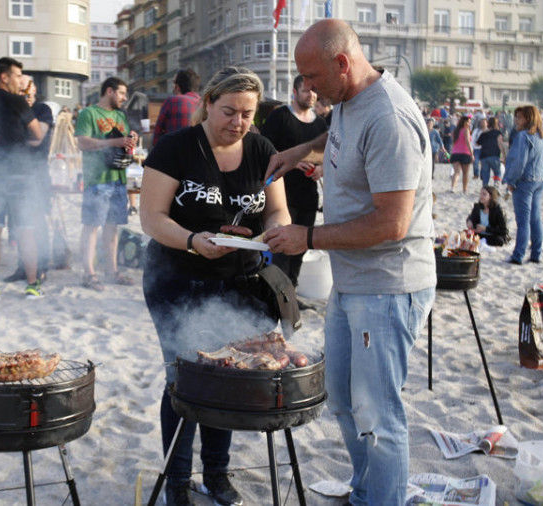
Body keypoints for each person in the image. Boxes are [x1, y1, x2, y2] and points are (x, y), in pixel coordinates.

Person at [263, 20, 436, 505]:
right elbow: (335, 139)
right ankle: (369, 491)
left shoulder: (389, 118)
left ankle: (382, 499)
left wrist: (309, 236)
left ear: (342, 63)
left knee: (378, 414)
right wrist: (300, 150)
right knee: (340, 399)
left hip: (388, 285)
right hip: (351, 280)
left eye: (313, 77)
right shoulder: (346, 101)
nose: (307, 89)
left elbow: (392, 224)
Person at [140, 66, 291, 506]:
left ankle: (217, 474)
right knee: (187, 379)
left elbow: (275, 211)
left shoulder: (262, 148)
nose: (239, 122)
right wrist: (192, 241)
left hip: (240, 282)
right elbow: (151, 218)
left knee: (227, 378)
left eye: (248, 113)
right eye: (229, 111)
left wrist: (276, 232)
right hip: (178, 279)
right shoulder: (176, 148)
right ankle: (178, 482)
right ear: (208, 103)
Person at [0, 56, 48, 300]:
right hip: (20, 173)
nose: (20, 81)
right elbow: (37, 135)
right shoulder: (17, 101)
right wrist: (20, 139)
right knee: (26, 230)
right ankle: (32, 285)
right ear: (4, 77)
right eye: (17, 76)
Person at [260, 74, 327, 288]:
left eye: (314, 91)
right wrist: (293, 161)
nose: (311, 95)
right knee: (280, 247)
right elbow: (264, 150)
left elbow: (327, 153)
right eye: (306, 90)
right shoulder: (279, 117)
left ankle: (292, 293)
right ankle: (278, 293)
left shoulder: (320, 123)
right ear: (295, 93)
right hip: (283, 194)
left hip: (308, 194)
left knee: (301, 247)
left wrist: (321, 169)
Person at [75, 76, 138, 291]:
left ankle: (111, 271)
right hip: (97, 179)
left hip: (118, 179)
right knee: (92, 226)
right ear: (109, 91)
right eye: (121, 93)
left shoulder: (121, 116)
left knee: (112, 228)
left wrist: (130, 141)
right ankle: (89, 273)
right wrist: (114, 141)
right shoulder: (89, 113)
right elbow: (83, 143)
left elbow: (122, 145)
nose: (124, 98)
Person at [3, 78, 54, 284]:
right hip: (14, 173)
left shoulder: (42, 110)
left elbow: (38, 137)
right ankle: (22, 267)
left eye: (30, 90)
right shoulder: (12, 112)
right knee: (17, 224)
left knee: (36, 222)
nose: (27, 94)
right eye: (23, 91)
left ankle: (40, 266)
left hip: (36, 175)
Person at [503, 105, 543, 265]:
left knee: (523, 221)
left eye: (520, 117)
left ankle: (518, 255)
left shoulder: (523, 136)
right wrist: (542, 173)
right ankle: (536, 254)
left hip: (524, 181)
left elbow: (519, 162)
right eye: (516, 117)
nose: (516, 120)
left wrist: (511, 181)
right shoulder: (542, 137)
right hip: (539, 180)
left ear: (528, 119)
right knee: (535, 218)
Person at [152, 68, 201, 146]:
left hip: (174, 153)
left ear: (177, 87)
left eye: (174, 83)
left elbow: (157, 136)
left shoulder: (171, 101)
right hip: (199, 154)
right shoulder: (205, 105)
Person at [476, 117, 505, 187]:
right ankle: (496, 182)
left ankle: (485, 186)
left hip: (484, 156)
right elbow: (500, 144)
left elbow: (477, 143)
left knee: (485, 174)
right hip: (494, 155)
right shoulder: (498, 133)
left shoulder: (483, 133)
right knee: (497, 172)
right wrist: (503, 155)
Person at [449, 115, 474, 193]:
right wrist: (471, 153)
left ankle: (453, 187)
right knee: (465, 173)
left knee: (456, 172)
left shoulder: (455, 131)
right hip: (465, 153)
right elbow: (467, 142)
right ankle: (464, 189)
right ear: (465, 123)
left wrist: (451, 152)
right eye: (469, 122)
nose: (469, 124)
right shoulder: (466, 130)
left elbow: (453, 143)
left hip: (455, 153)